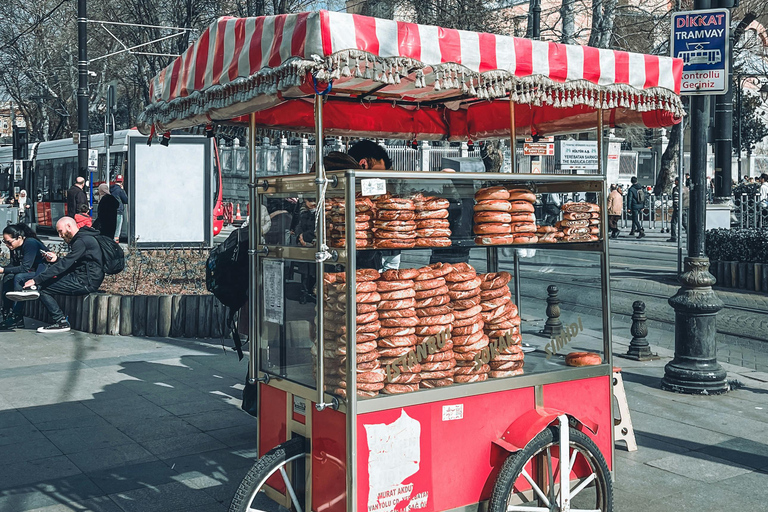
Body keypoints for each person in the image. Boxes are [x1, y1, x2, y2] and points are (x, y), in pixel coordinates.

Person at [9, 217, 104, 333]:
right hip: (82, 277)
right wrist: (56, 259)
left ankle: (61, 322)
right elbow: (72, 263)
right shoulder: (82, 239)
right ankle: (31, 290)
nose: (60, 235)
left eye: (60, 231)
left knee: (42, 289)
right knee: (43, 282)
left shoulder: (82, 241)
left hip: (85, 282)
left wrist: (36, 280)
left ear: (69, 226)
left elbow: (64, 265)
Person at [347, 140, 399, 271]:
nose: (380, 181)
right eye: (378, 174)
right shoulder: (349, 195)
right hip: (362, 260)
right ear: (363, 164)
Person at [0, 224, 48, 329]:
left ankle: (17, 316)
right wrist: (4, 269)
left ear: (19, 238)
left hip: (42, 272)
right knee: (8, 276)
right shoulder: (14, 246)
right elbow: (13, 265)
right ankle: (6, 312)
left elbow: (25, 268)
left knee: (19, 277)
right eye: (5, 242)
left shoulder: (30, 243)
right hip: (31, 271)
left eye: (9, 242)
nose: (7, 245)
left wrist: (3, 270)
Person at [667, 177, 689, 242]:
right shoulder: (686, 188)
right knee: (684, 222)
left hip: (679, 208)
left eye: (675, 181)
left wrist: (676, 206)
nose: (674, 182)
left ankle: (673, 237)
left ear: (677, 181)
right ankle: (690, 235)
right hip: (685, 207)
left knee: (673, 222)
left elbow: (676, 198)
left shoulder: (676, 188)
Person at [110, 175, 129, 242]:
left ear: (115, 180)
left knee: (111, 228)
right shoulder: (120, 190)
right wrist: (123, 190)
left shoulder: (110, 189)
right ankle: (115, 242)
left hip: (111, 211)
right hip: (118, 211)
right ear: (122, 181)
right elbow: (126, 200)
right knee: (117, 230)